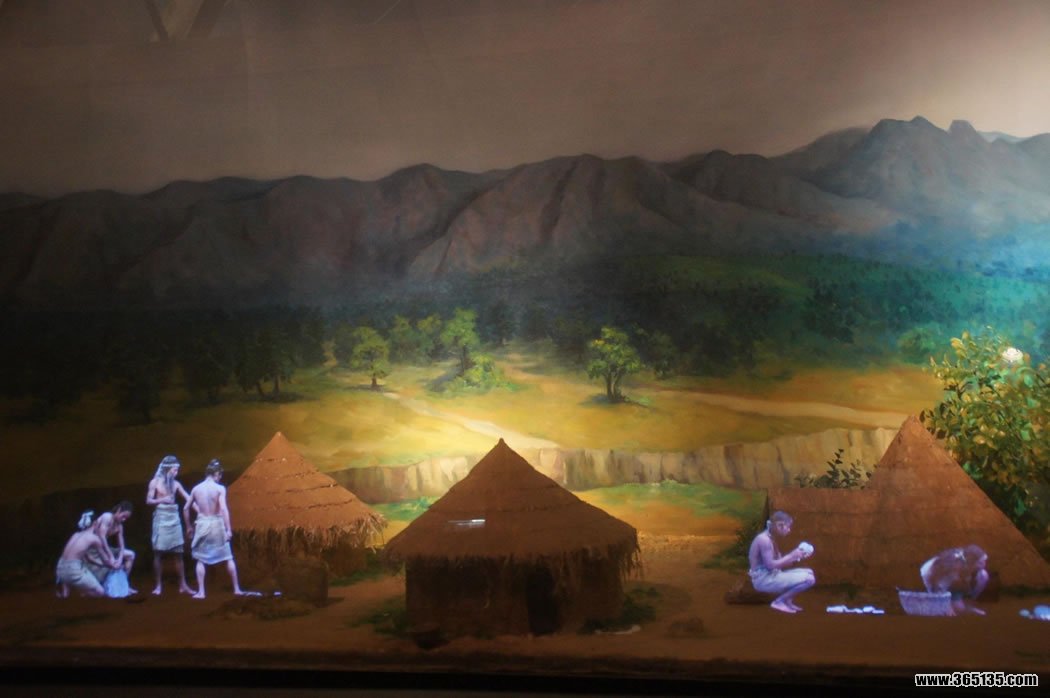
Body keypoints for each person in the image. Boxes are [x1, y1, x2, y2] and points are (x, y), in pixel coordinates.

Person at [184, 459, 245, 599]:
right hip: (217, 525)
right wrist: (229, 529)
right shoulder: (220, 488)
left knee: (200, 559)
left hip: (202, 524)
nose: (220, 478)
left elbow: (186, 508)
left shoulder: (196, 489)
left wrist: (188, 527)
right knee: (228, 557)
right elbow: (223, 508)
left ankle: (201, 592)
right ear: (216, 474)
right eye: (219, 475)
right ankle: (236, 589)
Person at [747, 510, 816, 613]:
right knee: (810, 579)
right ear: (780, 525)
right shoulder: (764, 540)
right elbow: (770, 565)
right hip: (763, 580)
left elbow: (779, 564)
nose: (789, 530)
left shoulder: (770, 538)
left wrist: (796, 558)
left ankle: (787, 600)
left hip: (770, 575)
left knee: (809, 572)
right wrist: (791, 555)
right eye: (788, 527)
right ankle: (779, 602)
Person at [147, 455, 194, 595]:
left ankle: (183, 585)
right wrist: (162, 500)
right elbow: (148, 500)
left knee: (178, 553)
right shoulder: (155, 482)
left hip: (174, 518)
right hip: (161, 518)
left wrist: (200, 509)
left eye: (177, 470)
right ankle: (158, 586)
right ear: (167, 469)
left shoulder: (176, 484)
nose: (176, 472)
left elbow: (188, 498)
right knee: (158, 553)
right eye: (175, 470)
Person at [56, 512, 120, 598]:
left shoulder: (75, 534)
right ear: (95, 523)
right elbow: (106, 560)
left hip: (59, 567)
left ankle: (65, 585)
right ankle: (77, 590)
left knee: (80, 569)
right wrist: (114, 565)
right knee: (100, 592)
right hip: (72, 570)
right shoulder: (94, 539)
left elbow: (88, 557)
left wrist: (100, 564)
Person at [84, 501, 137, 595]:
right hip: (93, 549)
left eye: (126, 518)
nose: (124, 519)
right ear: (119, 510)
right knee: (110, 564)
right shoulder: (107, 517)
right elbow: (102, 537)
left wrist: (120, 558)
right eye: (123, 516)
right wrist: (111, 556)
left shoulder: (119, 526)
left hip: (104, 549)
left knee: (131, 555)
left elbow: (121, 544)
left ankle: (124, 585)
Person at [920, 544, 989, 616]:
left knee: (983, 576)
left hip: (955, 578)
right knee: (949, 608)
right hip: (931, 575)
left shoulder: (967, 566)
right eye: (980, 562)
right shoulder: (950, 568)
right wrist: (946, 606)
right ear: (971, 563)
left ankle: (965, 603)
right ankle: (942, 604)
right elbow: (936, 585)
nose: (984, 564)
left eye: (984, 561)